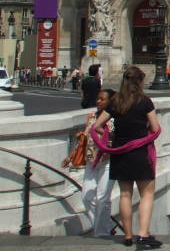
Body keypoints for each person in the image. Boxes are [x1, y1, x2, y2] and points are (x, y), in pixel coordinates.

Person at [93, 67, 161, 249]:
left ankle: (128, 236)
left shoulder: (115, 101)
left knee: (125, 194)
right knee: (146, 193)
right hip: (139, 151)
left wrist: (113, 135)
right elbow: (155, 128)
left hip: (120, 151)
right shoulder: (144, 101)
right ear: (139, 82)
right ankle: (143, 234)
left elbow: (98, 125)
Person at [65, 89, 117, 236]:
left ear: (110, 101)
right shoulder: (91, 117)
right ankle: (107, 225)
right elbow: (84, 139)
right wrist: (71, 156)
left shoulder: (116, 118)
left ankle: (101, 233)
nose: (98, 101)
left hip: (108, 161)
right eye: (98, 98)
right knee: (86, 197)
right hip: (91, 160)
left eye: (102, 99)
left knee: (102, 198)